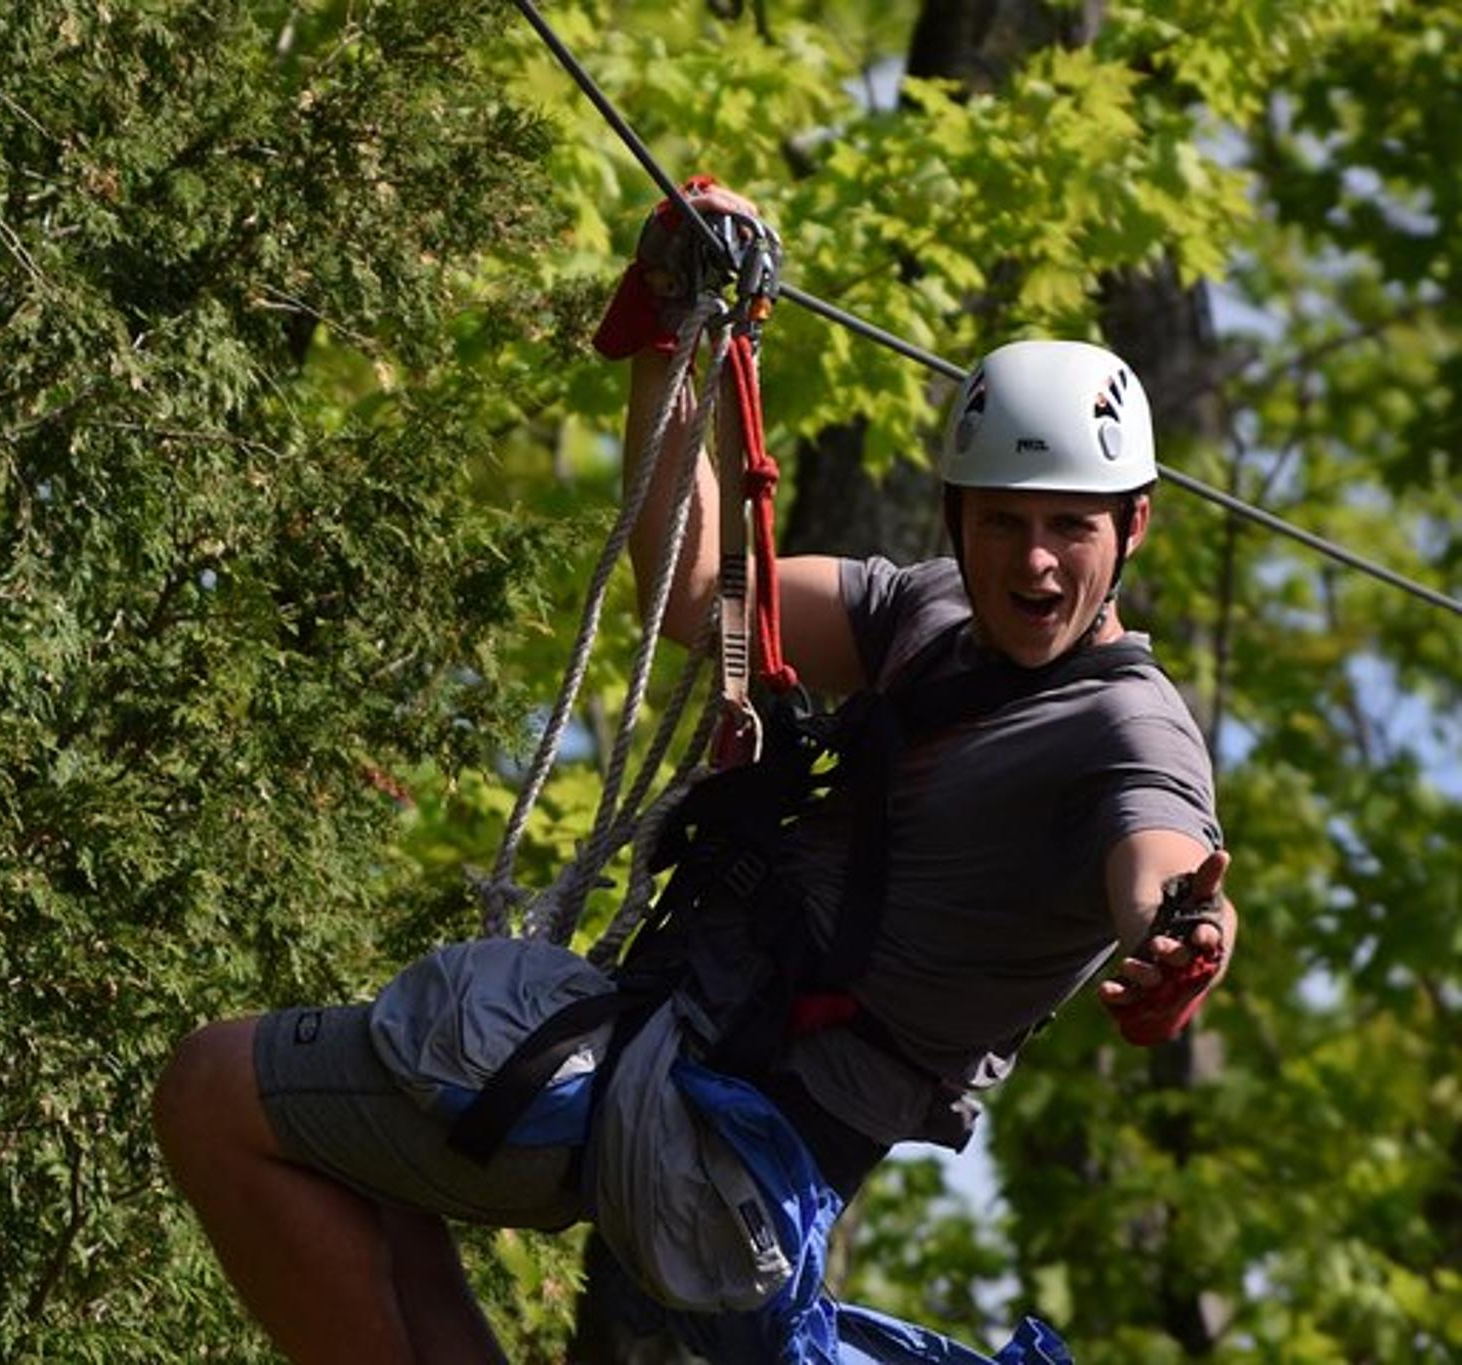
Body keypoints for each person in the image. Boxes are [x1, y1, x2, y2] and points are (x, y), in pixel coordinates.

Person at [152, 181, 1237, 1365]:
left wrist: (1180, 936)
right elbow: (694, 589)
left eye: (1070, 526)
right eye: (1001, 523)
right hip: (673, 1056)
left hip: (730, 1156)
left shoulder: (1127, 727)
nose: (1033, 563)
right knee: (371, 1166)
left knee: (216, 1094)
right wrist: (669, 339)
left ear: (1131, 527)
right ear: (953, 516)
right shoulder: (925, 618)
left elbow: (1161, 860)